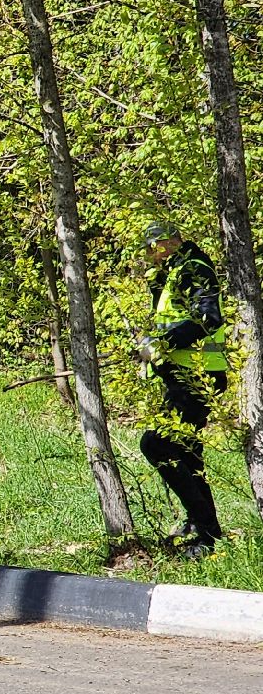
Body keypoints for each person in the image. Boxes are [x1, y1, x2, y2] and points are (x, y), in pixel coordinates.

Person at [137, 222, 229, 559]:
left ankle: (204, 527)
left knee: (157, 443)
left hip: (198, 376)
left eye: (154, 247)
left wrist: (162, 342)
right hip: (183, 375)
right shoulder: (173, 271)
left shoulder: (191, 268)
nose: (150, 254)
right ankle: (205, 531)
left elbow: (209, 318)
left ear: (171, 242)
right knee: (186, 452)